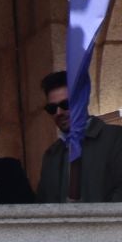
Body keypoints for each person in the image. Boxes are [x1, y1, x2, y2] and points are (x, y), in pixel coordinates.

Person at [37, 70, 122, 203]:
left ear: (83, 101)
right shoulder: (51, 154)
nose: (59, 112)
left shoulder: (115, 139)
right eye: (52, 108)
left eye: (66, 104)